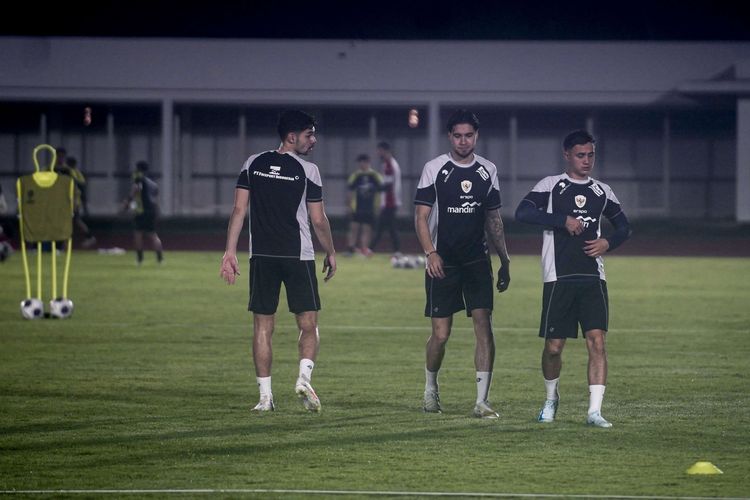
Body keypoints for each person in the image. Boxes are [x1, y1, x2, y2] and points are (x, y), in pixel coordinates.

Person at [219, 110, 337, 413]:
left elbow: (238, 210)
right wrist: (331, 251)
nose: (314, 140)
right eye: (309, 134)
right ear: (292, 137)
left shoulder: (253, 163)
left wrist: (229, 251)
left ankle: (265, 398)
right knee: (308, 324)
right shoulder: (308, 170)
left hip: (262, 256)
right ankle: (303, 378)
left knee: (262, 326)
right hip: (298, 256)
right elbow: (318, 219)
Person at [515, 129, 631, 428]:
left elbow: (624, 228)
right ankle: (551, 398)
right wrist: (561, 220)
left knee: (597, 342)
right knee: (554, 347)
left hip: (593, 278)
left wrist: (608, 243)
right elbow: (522, 212)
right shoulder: (551, 185)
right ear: (567, 154)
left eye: (591, 155)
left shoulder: (602, 191)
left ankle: (594, 411)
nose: (587, 160)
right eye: (581, 155)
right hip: (558, 278)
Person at [414, 109, 511, 419]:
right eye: (458, 135)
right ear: (449, 137)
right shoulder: (435, 168)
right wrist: (431, 253)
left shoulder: (487, 170)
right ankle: (430, 388)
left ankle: (482, 401)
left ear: (476, 137)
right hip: (443, 262)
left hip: (477, 262)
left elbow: (494, 218)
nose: (463, 141)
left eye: (469, 135)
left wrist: (504, 259)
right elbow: (420, 216)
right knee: (441, 335)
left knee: (484, 327)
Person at [122, 161, 163, 265]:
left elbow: (136, 189)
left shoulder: (139, 178)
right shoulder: (153, 183)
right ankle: (160, 259)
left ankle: (140, 260)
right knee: (153, 235)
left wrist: (127, 202)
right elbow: (157, 199)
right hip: (152, 210)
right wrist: (157, 212)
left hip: (141, 211)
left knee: (138, 234)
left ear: (138, 168)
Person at [346, 153, 383, 256]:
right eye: (359, 162)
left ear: (367, 162)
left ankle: (364, 249)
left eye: (362, 162)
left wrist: (379, 206)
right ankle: (351, 248)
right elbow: (350, 192)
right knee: (354, 228)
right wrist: (349, 206)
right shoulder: (355, 176)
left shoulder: (375, 176)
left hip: (370, 207)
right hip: (356, 207)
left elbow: (381, 192)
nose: (361, 164)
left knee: (367, 229)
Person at [57, 154, 96, 248]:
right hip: (73, 201)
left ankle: (64, 245)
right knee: (74, 221)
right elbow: (82, 186)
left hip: (71, 202)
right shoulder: (76, 173)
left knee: (67, 222)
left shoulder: (69, 172)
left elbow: (80, 186)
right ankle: (89, 237)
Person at [370, 141, 402, 254]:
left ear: (384, 150)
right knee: (388, 227)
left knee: (383, 227)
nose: (378, 153)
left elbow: (388, 185)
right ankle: (396, 250)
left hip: (390, 201)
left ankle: (370, 249)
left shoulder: (389, 165)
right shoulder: (389, 163)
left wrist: (375, 188)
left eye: (379, 150)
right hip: (390, 201)